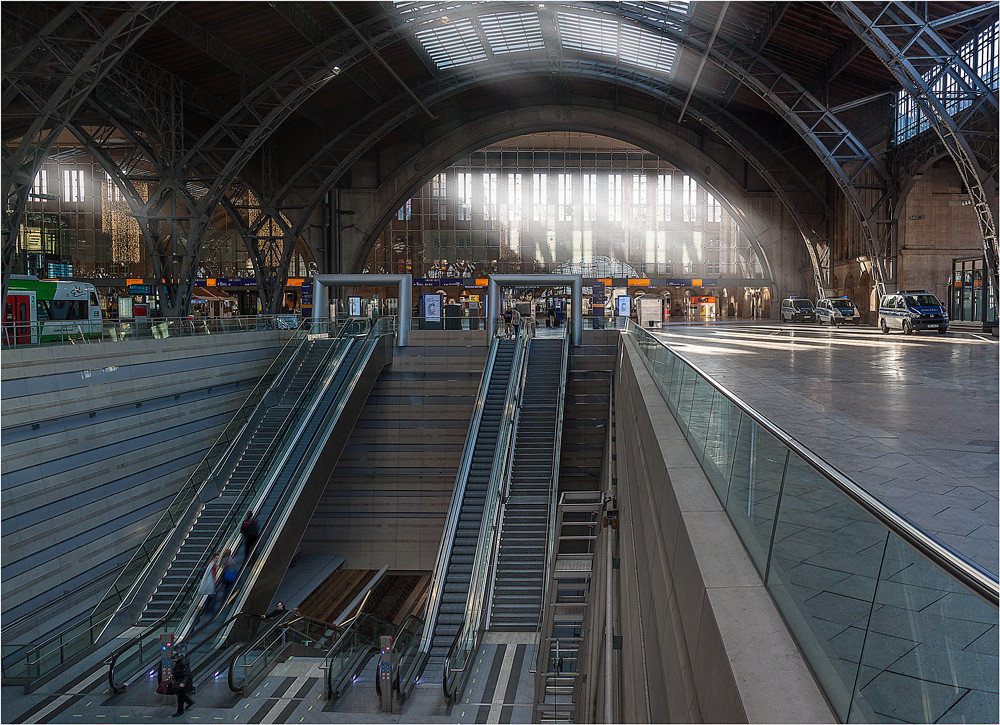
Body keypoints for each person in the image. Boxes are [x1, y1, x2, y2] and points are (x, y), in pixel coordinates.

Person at [193, 555, 219, 624]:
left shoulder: (208, 564)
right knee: (213, 597)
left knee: (209, 597)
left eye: (218, 558)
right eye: (216, 558)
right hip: (211, 584)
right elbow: (214, 575)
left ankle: (206, 610)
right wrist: (215, 583)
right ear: (213, 558)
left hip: (208, 584)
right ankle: (211, 611)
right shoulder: (213, 565)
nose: (217, 560)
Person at [171, 653, 194, 717]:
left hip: (184, 682)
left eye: (174, 659)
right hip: (181, 681)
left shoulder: (183, 663)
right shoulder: (179, 661)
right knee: (181, 694)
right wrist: (173, 674)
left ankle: (180, 711)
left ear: (177, 658)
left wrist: (183, 683)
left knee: (180, 696)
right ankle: (189, 702)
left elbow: (187, 674)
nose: (173, 660)